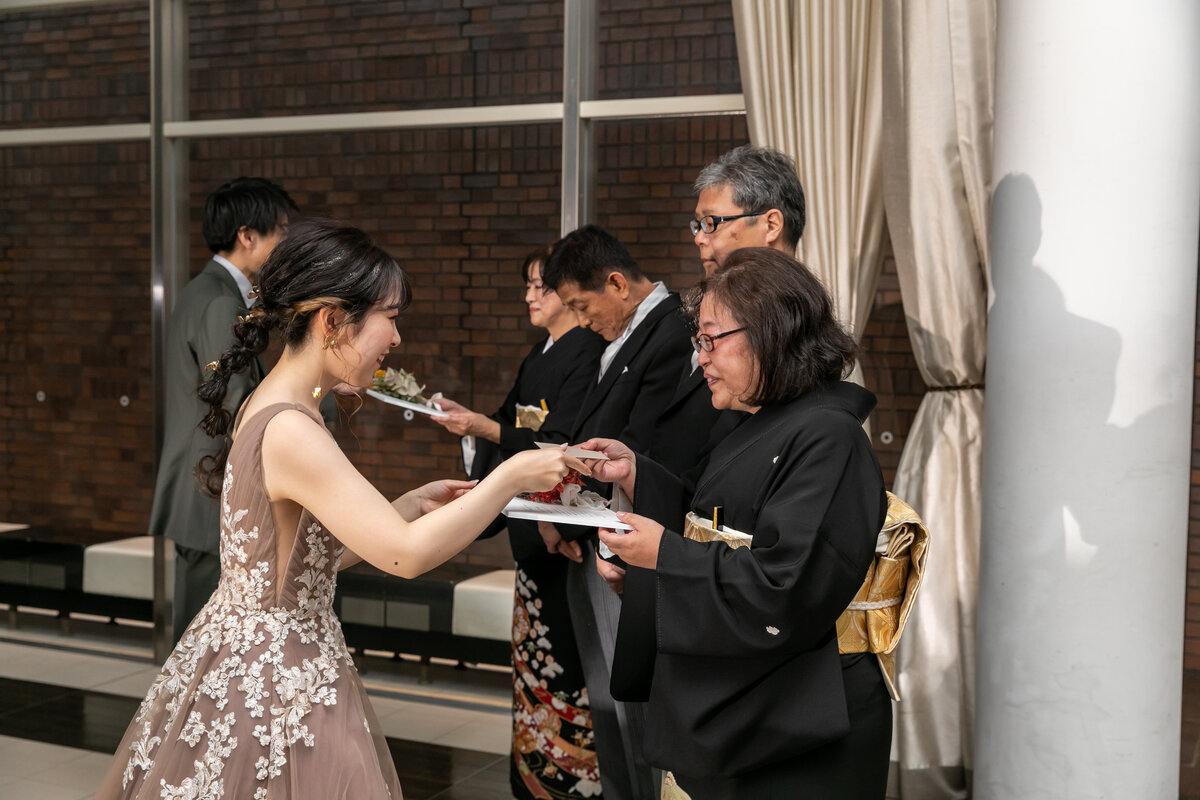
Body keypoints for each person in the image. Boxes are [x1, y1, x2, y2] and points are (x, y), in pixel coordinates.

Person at [95, 219, 586, 800]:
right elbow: (406, 558)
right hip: (277, 676)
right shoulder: (293, 427)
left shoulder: (276, 402)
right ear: (332, 321)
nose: (396, 338)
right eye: (390, 318)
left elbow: (295, 564)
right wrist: (510, 476)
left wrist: (406, 505)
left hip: (255, 653)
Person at [588, 247, 891, 799]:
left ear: (774, 332)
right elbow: (714, 519)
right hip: (751, 697)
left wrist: (665, 557)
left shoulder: (830, 437)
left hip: (797, 713)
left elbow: (785, 584)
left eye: (710, 340)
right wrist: (637, 477)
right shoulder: (763, 421)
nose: (699, 358)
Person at [429, 245, 607, 799]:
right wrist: (471, 428)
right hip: (534, 532)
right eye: (527, 285)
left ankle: (570, 783)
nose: (530, 296)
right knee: (534, 662)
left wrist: (485, 430)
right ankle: (534, 779)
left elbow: (560, 444)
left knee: (567, 663)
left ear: (569, 291)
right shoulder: (539, 354)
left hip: (562, 533)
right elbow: (508, 426)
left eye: (540, 286)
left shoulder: (588, 354)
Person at [539, 224, 694, 800]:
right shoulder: (626, 334)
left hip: (627, 535)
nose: (581, 321)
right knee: (606, 698)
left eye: (582, 306)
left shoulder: (671, 329)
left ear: (617, 283)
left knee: (631, 705)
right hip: (595, 528)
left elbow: (647, 447)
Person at [149, 177, 298, 644]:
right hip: (208, 489)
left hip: (202, 485)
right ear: (247, 236)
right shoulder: (219, 301)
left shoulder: (206, 290)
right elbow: (239, 401)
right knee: (200, 646)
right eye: (281, 231)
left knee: (204, 644)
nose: (286, 242)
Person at [648, 145, 808, 482]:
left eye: (711, 223)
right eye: (697, 225)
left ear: (771, 224)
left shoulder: (799, 325)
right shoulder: (716, 307)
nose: (699, 239)